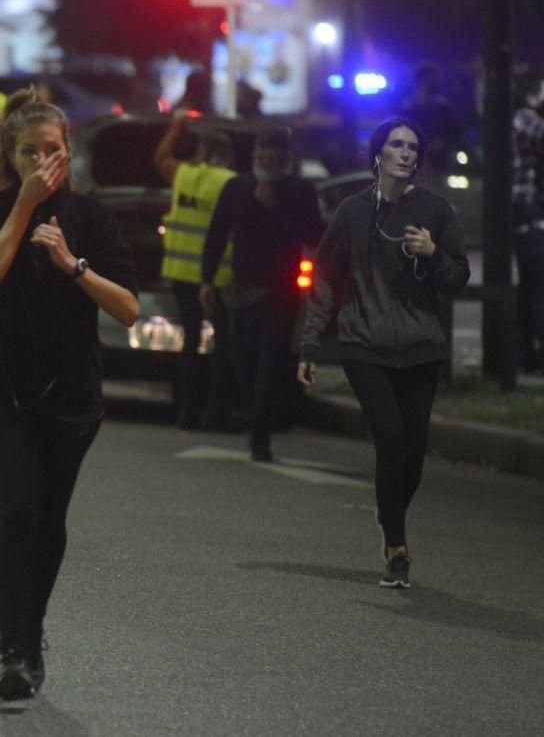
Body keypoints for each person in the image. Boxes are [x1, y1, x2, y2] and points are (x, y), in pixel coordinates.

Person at [0, 88, 139, 700]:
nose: (42, 162)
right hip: (1, 389)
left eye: (53, 150)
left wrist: (73, 263)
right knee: (15, 509)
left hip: (70, 393)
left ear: (69, 153)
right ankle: (14, 648)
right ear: (12, 157)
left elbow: (128, 309)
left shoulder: (93, 217)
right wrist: (23, 209)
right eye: (29, 152)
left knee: (47, 519)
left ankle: (32, 636)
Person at [298, 117, 469, 588]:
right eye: (396, 144)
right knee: (390, 438)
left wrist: (433, 253)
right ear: (378, 154)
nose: (406, 152)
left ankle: (388, 510)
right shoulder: (353, 212)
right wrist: (312, 342)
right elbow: (325, 275)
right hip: (363, 344)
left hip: (421, 348)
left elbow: (458, 278)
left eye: (413, 146)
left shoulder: (435, 211)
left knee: (412, 456)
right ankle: (396, 545)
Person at [199, 127, 323, 462]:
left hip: (279, 291)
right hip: (242, 289)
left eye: (273, 159)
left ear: (286, 160)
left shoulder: (299, 191)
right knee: (244, 361)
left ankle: (260, 436)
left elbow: (312, 234)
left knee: (270, 362)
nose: (266, 164)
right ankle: (253, 417)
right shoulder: (237, 187)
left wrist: (276, 209)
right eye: (260, 158)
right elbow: (217, 234)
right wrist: (206, 280)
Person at [153, 109, 237, 429]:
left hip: (180, 272)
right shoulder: (231, 182)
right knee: (223, 344)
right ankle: (216, 411)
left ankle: (186, 410)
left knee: (190, 342)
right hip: (218, 275)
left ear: (202, 151)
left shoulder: (183, 174)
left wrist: (176, 128)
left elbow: (160, 155)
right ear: (226, 155)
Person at [510, 66, 544, 375]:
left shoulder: (509, 122)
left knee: (529, 286)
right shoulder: (526, 121)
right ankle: (533, 354)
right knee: (536, 286)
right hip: (528, 212)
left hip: (520, 212)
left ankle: (525, 355)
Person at [401, 62, 463, 172]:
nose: (426, 83)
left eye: (429, 79)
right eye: (423, 79)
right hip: (414, 155)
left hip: (438, 158)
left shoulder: (442, 106)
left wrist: (442, 141)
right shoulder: (408, 106)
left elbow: (455, 130)